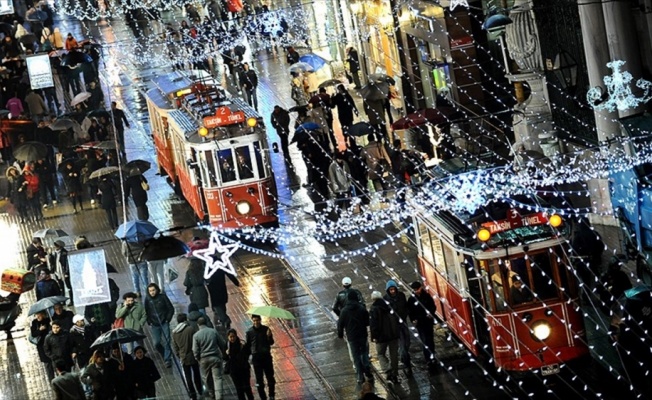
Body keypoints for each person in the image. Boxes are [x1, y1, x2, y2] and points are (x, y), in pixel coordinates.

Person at [337, 290, 373, 384]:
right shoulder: (361, 308)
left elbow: (340, 324)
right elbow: (367, 322)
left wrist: (340, 334)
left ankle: (360, 376)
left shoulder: (344, 310)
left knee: (356, 356)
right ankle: (368, 371)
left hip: (352, 337)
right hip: (362, 335)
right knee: (364, 353)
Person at [369, 290, 400, 383]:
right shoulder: (389, 305)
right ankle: (394, 374)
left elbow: (373, 325)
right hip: (393, 334)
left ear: (373, 299)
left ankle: (387, 369)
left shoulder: (373, 308)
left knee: (380, 354)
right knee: (394, 355)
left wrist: (374, 337)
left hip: (381, 337)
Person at [193, 317, 226, 400]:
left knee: (207, 378)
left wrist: (197, 358)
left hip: (204, 359)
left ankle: (212, 394)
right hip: (215, 357)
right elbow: (222, 343)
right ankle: (219, 396)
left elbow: (195, 350)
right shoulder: (213, 331)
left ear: (198, 325)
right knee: (218, 378)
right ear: (206, 323)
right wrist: (223, 354)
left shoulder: (196, 335)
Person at [408, 281, 437, 372]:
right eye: (415, 290)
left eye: (418, 289)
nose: (417, 291)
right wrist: (414, 320)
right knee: (425, 341)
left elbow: (433, 306)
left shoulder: (426, 296)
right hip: (420, 323)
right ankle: (429, 359)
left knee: (430, 341)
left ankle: (432, 357)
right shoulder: (412, 299)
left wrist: (431, 313)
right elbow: (410, 311)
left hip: (427, 322)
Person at [384, 280, 412, 377]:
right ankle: (406, 364)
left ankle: (404, 357)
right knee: (403, 345)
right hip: (395, 326)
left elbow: (405, 307)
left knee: (407, 342)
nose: (392, 291)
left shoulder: (401, 296)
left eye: (393, 289)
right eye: (390, 290)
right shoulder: (386, 299)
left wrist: (405, 315)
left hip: (403, 322)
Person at [172, 313, 203, 400]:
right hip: (192, 355)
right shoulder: (190, 329)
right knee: (196, 374)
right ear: (185, 320)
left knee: (188, 377)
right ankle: (200, 390)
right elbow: (196, 342)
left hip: (183, 358)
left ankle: (192, 395)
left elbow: (175, 347)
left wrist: (179, 355)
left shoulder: (174, 333)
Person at [144, 283, 174, 367]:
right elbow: (146, 311)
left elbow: (171, 308)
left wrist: (168, 319)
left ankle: (167, 359)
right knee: (156, 343)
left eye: (153, 290)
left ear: (157, 290)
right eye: (150, 291)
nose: (152, 292)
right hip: (154, 324)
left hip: (164, 322)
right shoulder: (147, 299)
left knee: (167, 341)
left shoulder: (163, 297)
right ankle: (165, 353)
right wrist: (149, 321)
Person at [246, 314, 275, 400]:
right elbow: (248, 345)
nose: (256, 322)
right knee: (259, 380)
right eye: (254, 320)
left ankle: (271, 395)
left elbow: (271, 342)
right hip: (256, 358)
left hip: (266, 357)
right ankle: (263, 397)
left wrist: (269, 336)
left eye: (257, 320)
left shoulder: (266, 329)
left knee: (270, 378)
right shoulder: (249, 332)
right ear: (252, 321)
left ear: (260, 320)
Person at [225, 328, 254, 400]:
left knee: (247, 388)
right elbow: (225, 358)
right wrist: (226, 353)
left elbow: (248, 352)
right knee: (239, 389)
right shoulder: (227, 345)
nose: (232, 338)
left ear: (236, 336)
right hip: (234, 371)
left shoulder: (241, 344)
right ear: (228, 337)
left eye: (233, 336)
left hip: (244, 369)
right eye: (230, 337)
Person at [31, 311, 55, 380]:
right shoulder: (34, 322)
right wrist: (40, 330)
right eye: (36, 314)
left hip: (50, 345)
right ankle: (52, 380)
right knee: (48, 364)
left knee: (55, 363)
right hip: (42, 347)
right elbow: (33, 334)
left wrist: (51, 326)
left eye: (39, 314)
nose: (37, 316)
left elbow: (52, 332)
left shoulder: (48, 320)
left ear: (43, 315)